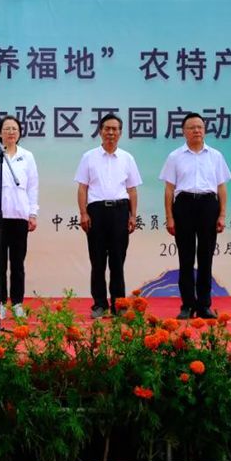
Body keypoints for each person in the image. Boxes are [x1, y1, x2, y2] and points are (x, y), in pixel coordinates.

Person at [160, 112, 231, 320]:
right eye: (192, 127)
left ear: (205, 130)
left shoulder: (215, 156)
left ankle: (204, 305)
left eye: (200, 127)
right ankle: (187, 305)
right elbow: (169, 189)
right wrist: (169, 217)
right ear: (184, 132)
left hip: (208, 205)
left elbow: (221, 187)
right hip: (183, 205)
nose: (196, 131)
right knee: (185, 258)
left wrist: (222, 214)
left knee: (206, 257)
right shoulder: (175, 157)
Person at [74, 113, 142, 318]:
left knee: (117, 261)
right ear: (100, 132)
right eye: (107, 129)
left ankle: (119, 305)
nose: (111, 132)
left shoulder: (127, 158)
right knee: (97, 261)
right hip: (96, 212)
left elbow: (132, 190)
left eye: (115, 129)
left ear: (120, 133)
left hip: (120, 211)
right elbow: (82, 188)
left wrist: (133, 216)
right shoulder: (89, 157)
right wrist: (83, 213)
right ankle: (100, 304)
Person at [0, 115, 39, 320]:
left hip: (20, 215)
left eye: (14, 129)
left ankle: (18, 303)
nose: (11, 132)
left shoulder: (27, 156)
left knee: (18, 264)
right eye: (7, 129)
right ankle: (0, 303)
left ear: (20, 133)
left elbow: (33, 186)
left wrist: (33, 212)